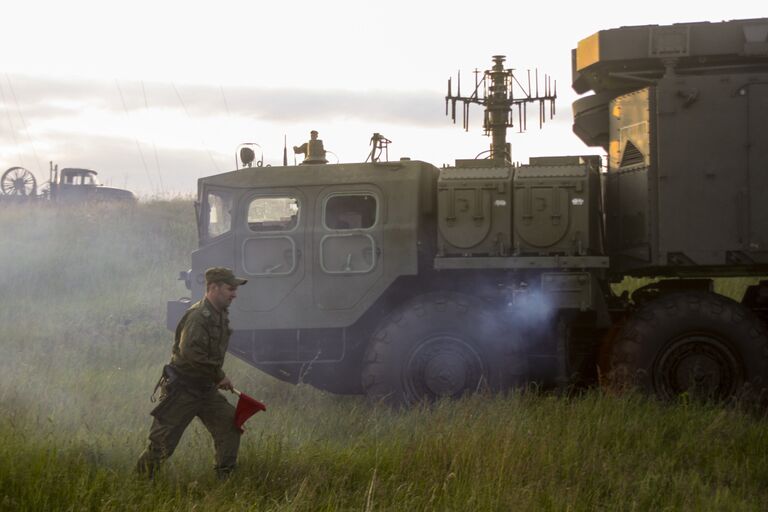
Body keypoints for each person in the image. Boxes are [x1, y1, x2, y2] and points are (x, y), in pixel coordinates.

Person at [136, 267, 247, 479]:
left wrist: (214, 378)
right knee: (162, 443)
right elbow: (191, 353)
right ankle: (140, 482)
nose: (234, 294)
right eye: (230, 289)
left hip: (205, 389)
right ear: (213, 288)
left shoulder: (219, 314)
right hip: (183, 390)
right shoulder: (199, 316)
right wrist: (219, 375)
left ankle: (226, 479)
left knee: (230, 424)